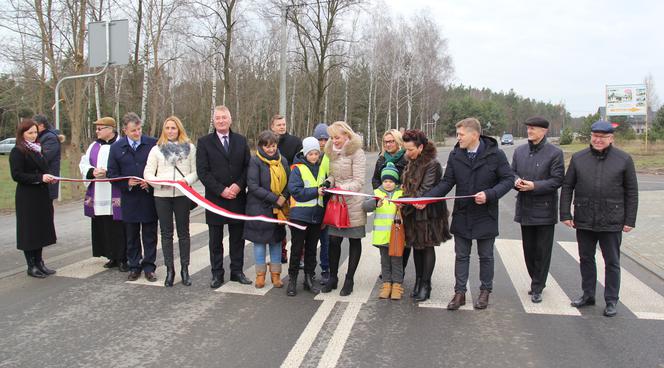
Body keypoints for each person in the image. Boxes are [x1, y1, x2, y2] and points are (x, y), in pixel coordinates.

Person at [423, 118, 513, 310]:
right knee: (461, 255)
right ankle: (460, 293)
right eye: (458, 134)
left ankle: (484, 291)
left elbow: (508, 180)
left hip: (485, 213)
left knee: (486, 255)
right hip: (463, 213)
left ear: (475, 135)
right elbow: (447, 183)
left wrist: (490, 194)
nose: (458, 138)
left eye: (461, 134)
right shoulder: (456, 155)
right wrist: (426, 199)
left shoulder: (495, 155)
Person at [560, 120, 638, 317]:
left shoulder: (623, 159)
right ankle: (588, 295)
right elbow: (568, 186)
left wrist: (630, 219)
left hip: (612, 219)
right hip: (584, 217)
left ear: (611, 138)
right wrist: (565, 214)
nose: (598, 140)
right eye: (595, 136)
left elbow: (632, 192)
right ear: (591, 136)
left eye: (603, 137)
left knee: (611, 261)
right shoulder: (578, 158)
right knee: (586, 258)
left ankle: (611, 300)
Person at [196, 105, 252, 288]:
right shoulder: (204, 142)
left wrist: (237, 185)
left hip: (237, 198)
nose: (221, 121)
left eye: (224, 117)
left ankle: (237, 271)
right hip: (215, 199)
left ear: (230, 119)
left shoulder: (241, 141)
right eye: (217, 118)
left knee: (237, 238)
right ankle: (217, 274)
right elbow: (203, 172)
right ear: (213, 121)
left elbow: (247, 167)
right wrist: (221, 189)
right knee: (215, 240)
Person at [511, 116, 564, 303]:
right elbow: (512, 172)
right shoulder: (520, 151)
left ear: (544, 131)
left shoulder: (555, 153)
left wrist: (535, 186)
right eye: (528, 128)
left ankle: (537, 286)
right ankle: (536, 279)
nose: (529, 131)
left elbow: (557, 180)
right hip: (525, 207)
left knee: (542, 250)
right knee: (529, 249)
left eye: (533, 129)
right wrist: (516, 181)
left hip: (544, 210)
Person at [144, 116, 198, 287]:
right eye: (167, 128)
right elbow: (148, 173)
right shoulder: (156, 150)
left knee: (184, 233)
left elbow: (195, 172)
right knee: (166, 234)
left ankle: (185, 269)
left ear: (179, 129)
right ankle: (170, 270)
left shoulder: (190, 148)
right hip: (162, 196)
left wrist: (186, 181)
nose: (170, 131)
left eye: (173, 128)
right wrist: (159, 183)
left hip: (182, 195)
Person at [399, 130, 452, 302]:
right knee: (416, 247)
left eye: (410, 150)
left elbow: (425, 191)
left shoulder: (432, 164)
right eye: (406, 149)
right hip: (412, 212)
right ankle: (418, 281)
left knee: (427, 247)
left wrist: (403, 200)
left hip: (429, 214)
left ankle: (426, 284)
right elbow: (406, 185)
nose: (407, 153)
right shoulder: (411, 161)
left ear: (421, 147)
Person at [107, 112, 159, 282]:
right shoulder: (116, 148)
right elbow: (112, 174)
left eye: (139, 129)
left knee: (150, 234)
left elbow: (160, 168)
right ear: (125, 131)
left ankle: (149, 267)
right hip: (129, 198)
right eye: (133, 131)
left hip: (148, 197)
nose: (137, 133)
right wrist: (127, 183)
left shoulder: (152, 143)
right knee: (131, 235)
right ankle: (134, 265)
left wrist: (151, 182)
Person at [320, 121, 366, 296]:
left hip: (353, 203)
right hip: (337, 204)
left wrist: (341, 189)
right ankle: (333, 277)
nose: (334, 141)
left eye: (337, 137)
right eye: (332, 137)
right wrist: (328, 183)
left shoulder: (357, 153)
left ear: (347, 135)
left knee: (354, 240)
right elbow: (333, 175)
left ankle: (349, 279)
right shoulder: (332, 152)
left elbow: (359, 181)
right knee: (333, 241)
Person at [9, 119, 58, 278]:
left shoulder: (38, 149)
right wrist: (39, 177)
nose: (33, 135)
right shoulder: (18, 150)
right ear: (22, 134)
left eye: (35, 132)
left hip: (41, 195)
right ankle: (32, 265)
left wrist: (49, 177)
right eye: (29, 132)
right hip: (27, 196)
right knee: (30, 230)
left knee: (41, 229)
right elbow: (17, 175)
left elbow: (45, 168)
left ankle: (40, 262)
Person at [79, 117, 127, 272]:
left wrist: (109, 173)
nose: (97, 131)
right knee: (104, 224)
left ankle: (123, 257)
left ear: (110, 129)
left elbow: (127, 164)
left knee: (118, 225)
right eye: (96, 128)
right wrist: (92, 172)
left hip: (116, 191)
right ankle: (111, 255)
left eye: (100, 128)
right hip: (99, 192)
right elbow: (84, 163)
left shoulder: (122, 144)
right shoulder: (94, 146)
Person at [243, 131, 290, 289]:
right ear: (261, 146)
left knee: (276, 242)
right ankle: (260, 275)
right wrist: (275, 198)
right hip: (259, 208)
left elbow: (289, 183)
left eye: (273, 145)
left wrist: (283, 197)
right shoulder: (255, 161)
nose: (271, 149)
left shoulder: (282, 160)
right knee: (260, 243)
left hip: (278, 209)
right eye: (267, 146)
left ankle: (276, 275)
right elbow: (253, 186)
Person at [286, 137, 326, 296]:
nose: (314, 157)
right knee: (296, 249)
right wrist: (315, 191)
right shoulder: (297, 168)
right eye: (311, 154)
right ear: (305, 153)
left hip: (316, 216)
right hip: (299, 216)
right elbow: (295, 191)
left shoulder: (322, 168)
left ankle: (309, 278)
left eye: (316, 153)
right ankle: (292, 280)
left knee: (311, 249)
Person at [362, 162, 406, 300]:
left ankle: (397, 285)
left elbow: (409, 209)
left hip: (397, 236)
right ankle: (386, 284)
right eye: (385, 181)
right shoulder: (377, 193)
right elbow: (365, 206)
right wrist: (375, 203)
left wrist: (402, 205)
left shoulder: (401, 193)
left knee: (397, 261)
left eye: (391, 181)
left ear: (396, 182)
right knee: (385, 261)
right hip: (382, 237)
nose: (388, 184)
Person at [372, 129, 411, 273]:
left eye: (391, 141)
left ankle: (400, 270)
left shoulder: (406, 158)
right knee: (387, 239)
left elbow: (411, 180)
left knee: (403, 238)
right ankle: (388, 272)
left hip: (402, 202)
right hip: (385, 202)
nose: (388, 144)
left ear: (398, 141)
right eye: (385, 142)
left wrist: (401, 194)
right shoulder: (381, 158)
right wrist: (381, 192)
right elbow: (375, 179)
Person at [270, 114, 302, 264]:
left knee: (296, 225)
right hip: (275, 191)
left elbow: (300, 165)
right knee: (278, 225)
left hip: (293, 190)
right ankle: (281, 253)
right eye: (279, 125)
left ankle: (299, 256)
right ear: (272, 127)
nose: (282, 127)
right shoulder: (268, 143)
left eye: (283, 124)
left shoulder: (295, 142)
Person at [313, 122, 331, 285]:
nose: (323, 143)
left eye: (326, 139)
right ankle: (309, 269)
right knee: (310, 241)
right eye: (320, 139)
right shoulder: (311, 157)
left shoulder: (332, 157)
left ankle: (326, 269)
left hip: (327, 204)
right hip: (311, 205)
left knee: (326, 241)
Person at [33, 114, 62, 200]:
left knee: (45, 209)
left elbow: (44, 158)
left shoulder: (50, 138)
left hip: (48, 180)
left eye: (34, 126)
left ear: (41, 125)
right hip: (42, 179)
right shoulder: (41, 136)